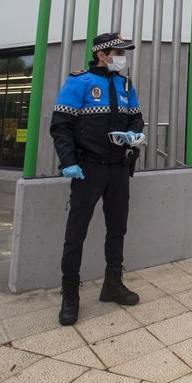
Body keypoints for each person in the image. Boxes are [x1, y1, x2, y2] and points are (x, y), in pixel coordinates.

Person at [51, 32, 147, 325]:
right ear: (101, 54)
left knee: (117, 228)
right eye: (119, 51)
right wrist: (68, 163)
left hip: (118, 167)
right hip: (87, 168)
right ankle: (70, 294)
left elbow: (136, 117)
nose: (123, 57)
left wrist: (134, 134)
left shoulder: (126, 84)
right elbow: (61, 126)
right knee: (75, 233)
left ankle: (112, 284)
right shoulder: (78, 82)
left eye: (125, 52)